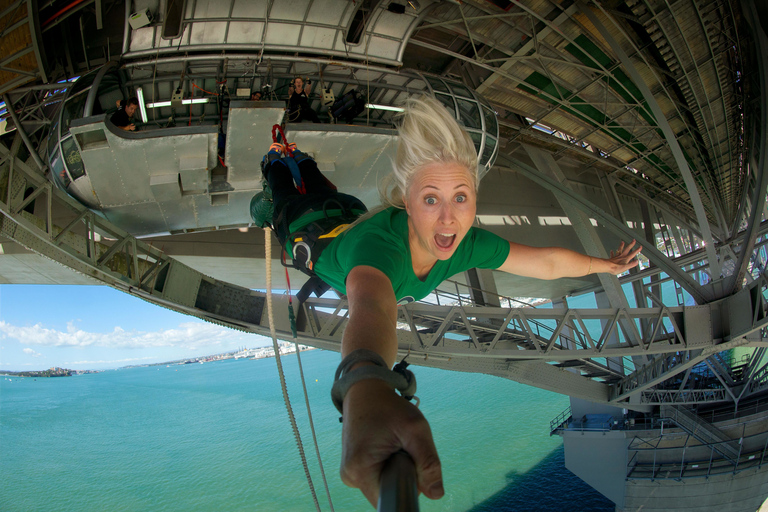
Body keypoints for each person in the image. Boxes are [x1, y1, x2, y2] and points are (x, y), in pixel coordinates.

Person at [255, 95, 641, 508]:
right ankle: (275, 161)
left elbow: (543, 261)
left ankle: (294, 156)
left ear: (474, 199)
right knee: (280, 184)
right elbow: (373, 307)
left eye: (460, 197)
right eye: (430, 199)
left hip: (345, 212)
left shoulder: (466, 243)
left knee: (311, 172)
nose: (447, 219)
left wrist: (605, 264)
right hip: (305, 227)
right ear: (406, 201)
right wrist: (364, 383)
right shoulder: (379, 250)